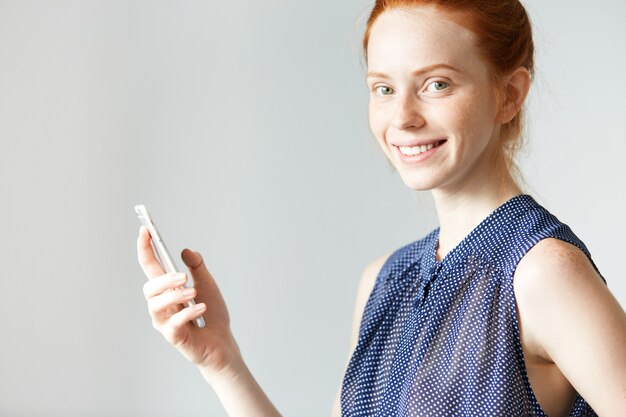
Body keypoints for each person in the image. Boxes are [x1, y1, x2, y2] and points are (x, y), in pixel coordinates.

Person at [136, 0, 626, 415]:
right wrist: (221, 360)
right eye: (384, 89)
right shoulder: (384, 279)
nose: (403, 118)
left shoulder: (542, 274)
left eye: (437, 84)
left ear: (509, 95)